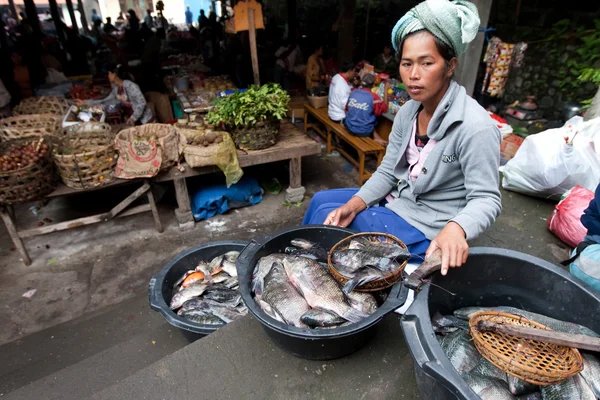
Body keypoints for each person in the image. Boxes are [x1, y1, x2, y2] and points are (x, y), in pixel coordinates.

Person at [303, 0, 501, 275]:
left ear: (450, 65)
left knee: (343, 232)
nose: (413, 75)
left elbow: (487, 198)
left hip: (428, 224)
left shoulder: (475, 127)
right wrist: (356, 203)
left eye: (427, 63)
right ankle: (306, 271)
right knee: (322, 204)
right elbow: (387, 171)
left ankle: (317, 280)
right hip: (399, 200)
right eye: (407, 64)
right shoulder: (408, 112)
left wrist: (457, 228)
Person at [79, 64, 153, 125]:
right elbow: (106, 100)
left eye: (109, 73)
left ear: (115, 75)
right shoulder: (116, 89)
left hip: (144, 120)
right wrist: (86, 102)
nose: (108, 75)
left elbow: (142, 102)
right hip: (132, 120)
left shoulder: (131, 86)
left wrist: (134, 118)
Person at [344, 74, 390, 146]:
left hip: (349, 127)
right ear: (373, 85)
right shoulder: (374, 97)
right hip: (364, 132)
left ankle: (376, 137)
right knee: (374, 116)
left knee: (366, 114)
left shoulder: (353, 92)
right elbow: (385, 109)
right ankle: (375, 139)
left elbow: (346, 109)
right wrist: (386, 90)